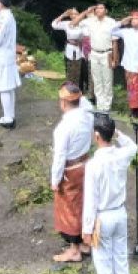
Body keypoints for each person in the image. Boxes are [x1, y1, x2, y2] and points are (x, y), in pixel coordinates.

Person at [82, 115, 138, 274]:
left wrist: (87, 228)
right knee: (121, 265)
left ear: (97, 136)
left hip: (102, 218)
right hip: (120, 214)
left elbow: (90, 200)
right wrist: (119, 135)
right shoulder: (122, 156)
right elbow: (133, 147)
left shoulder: (93, 165)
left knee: (105, 270)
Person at [51, 82, 94, 263]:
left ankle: (74, 248)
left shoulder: (64, 127)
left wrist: (55, 179)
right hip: (85, 164)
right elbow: (86, 103)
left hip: (70, 170)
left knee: (70, 209)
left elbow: (60, 156)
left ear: (63, 103)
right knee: (85, 204)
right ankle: (86, 243)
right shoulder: (87, 116)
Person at [75, 4, 122, 112]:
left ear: (106, 10)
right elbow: (75, 22)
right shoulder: (90, 21)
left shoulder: (111, 22)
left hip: (107, 54)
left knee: (107, 80)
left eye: (102, 8)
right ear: (95, 11)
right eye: (97, 8)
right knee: (97, 80)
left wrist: (115, 59)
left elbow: (115, 42)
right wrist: (87, 10)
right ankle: (100, 106)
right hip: (94, 53)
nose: (99, 10)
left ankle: (107, 107)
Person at [0, 0, 22, 128]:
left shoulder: (3, 18)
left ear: (0, 3)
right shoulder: (6, 16)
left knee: (4, 88)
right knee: (8, 88)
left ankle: (8, 118)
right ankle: (10, 116)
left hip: (1, 57)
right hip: (6, 56)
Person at [52, 8, 91, 94]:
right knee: (70, 70)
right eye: (72, 14)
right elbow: (54, 25)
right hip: (70, 49)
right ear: (70, 16)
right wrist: (63, 15)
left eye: (76, 14)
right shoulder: (67, 24)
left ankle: (80, 90)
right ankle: (70, 89)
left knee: (81, 71)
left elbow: (87, 34)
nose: (74, 16)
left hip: (81, 50)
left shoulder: (83, 24)